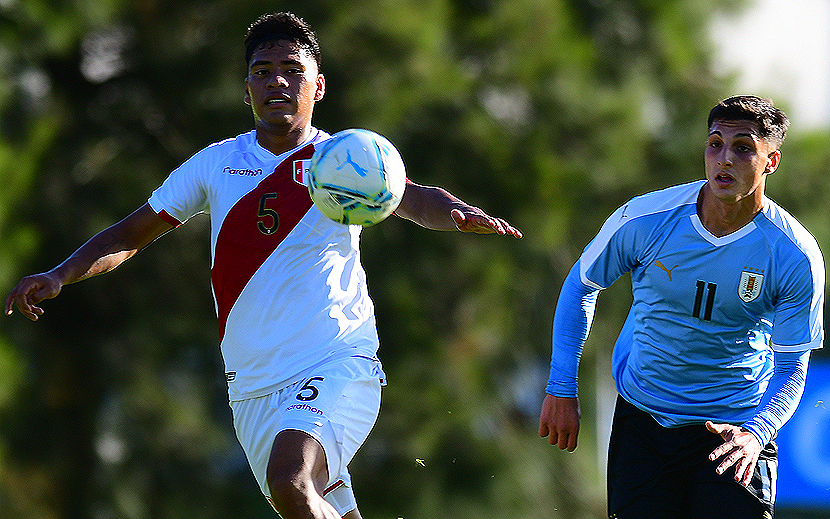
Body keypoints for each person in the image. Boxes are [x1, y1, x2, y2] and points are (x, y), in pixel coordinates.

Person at [5, 12, 522, 519]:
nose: (277, 81)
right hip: (251, 389)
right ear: (246, 90)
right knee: (307, 501)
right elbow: (130, 234)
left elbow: (409, 197)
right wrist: (59, 275)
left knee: (290, 483)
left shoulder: (342, 159)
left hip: (336, 361)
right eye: (262, 71)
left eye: (293, 71)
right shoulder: (215, 163)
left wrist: (455, 213)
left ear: (318, 87)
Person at [538, 95, 823, 518]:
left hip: (735, 432)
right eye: (715, 144)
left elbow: (792, 368)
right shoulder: (645, 219)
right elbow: (582, 285)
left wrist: (758, 432)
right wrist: (562, 385)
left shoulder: (794, 254)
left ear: (771, 161)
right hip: (645, 420)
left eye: (743, 147)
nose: (724, 158)